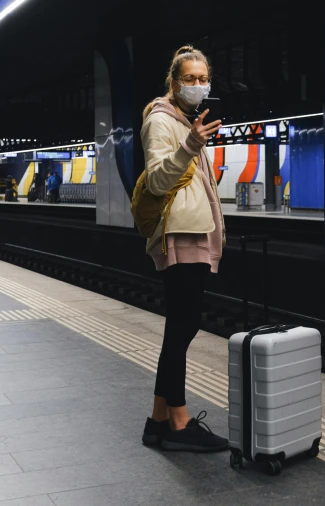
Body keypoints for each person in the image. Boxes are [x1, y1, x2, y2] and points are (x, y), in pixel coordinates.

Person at [140, 45, 227, 452]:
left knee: (181, 327)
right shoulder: (162, 120)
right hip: (180, 236)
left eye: (203, 79)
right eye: (189, 79)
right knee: (181, 329)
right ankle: (179, 422)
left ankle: (157, 422)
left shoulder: (183, 119)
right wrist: (190, 145)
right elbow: (158, 181)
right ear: (174, 82)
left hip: (193, 232)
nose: (197, 85)